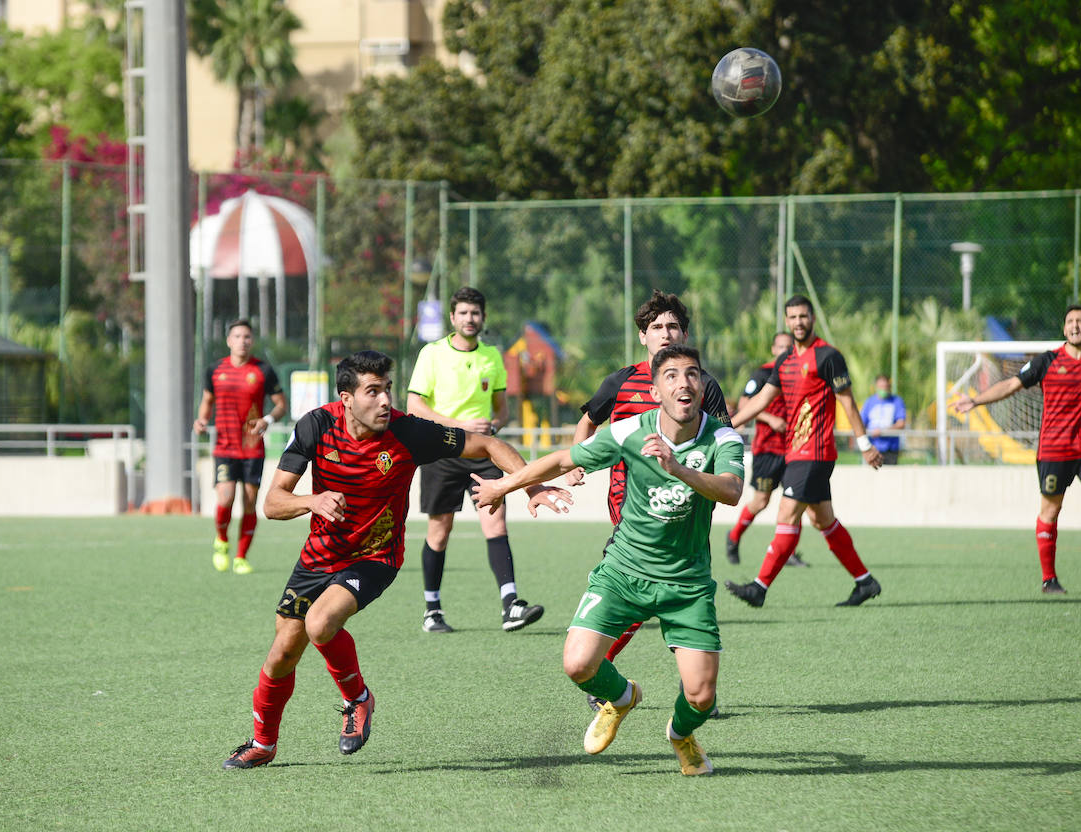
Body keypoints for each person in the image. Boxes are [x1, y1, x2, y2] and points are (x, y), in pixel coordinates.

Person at [222, 350, 567, 769]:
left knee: (320, 623)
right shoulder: (315, 425)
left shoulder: (408, 432)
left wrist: (528, 487)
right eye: (373, 391)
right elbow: (273, 504)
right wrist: (312, 500)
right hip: (319, 557)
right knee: (281, 654)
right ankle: (263, 744)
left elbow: (490, 444)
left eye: (387, 388)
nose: (385, 400)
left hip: (375, 556)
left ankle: (358, 700)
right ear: (346, 398)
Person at [473, 345, 745, 776]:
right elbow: (564, 458)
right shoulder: (630, 432)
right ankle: (621, 698)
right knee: (577, 664)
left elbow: (731, 490)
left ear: (702, 385)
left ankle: (680, 735)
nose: (683, 383)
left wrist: (679, 470)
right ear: (656, 391)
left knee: (701, 697)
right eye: (671, 376)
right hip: (624, 571)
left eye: (692, 374)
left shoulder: (723, 438)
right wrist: (503, 486)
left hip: (686, 582)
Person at [571, 289, 731, 676]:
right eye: (656, 327)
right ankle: (600, 666)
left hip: (686, 504)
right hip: (628, 502)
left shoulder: (702, 386)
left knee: (681, 583)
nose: (666, 333)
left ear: (685, 336)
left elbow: (725, 441)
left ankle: (696, 685)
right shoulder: (621, 381)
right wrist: (578, 462)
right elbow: (589, 422)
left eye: (673, 326)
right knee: (639, 578)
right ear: (643, 336)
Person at [953, 306, 1081, 594]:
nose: (1075, 326)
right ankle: (1049, 579)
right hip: (1054, 450)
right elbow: (1011, 385)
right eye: (1070, 322)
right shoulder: (1046, 361)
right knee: (1051, 510)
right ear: (1064, 329)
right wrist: (976, 401)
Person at [725, 295, 885, 607]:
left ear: (812, 317)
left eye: (803, 316)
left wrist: (865, 445)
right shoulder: (785, 362)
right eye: (793, 317)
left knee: (786, 513)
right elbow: (760, 401)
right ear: (787, 321)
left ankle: (759, 588)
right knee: (822, 519)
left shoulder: (828, 356)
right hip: (795, 451)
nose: (799, 322)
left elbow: (848, 402)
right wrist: (730, 424)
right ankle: (865, 581)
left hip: (815, 451)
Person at [407, 286, 544, 633]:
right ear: (452, 318)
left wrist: (494, 424)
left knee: (496, 524)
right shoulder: (432, 354)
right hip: (442, 451)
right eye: (464, 313)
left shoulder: (492, 357)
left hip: (483, 452)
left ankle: (511, 605)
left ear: (483, 317)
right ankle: (432, 611)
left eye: (476, 313)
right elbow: (414, 407)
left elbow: (501, 407)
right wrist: (460, 425)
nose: (470, 319)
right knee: (440, 531)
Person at [193, 319, 286, 575]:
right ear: (228, 341)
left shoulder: (263, 371)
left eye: (246, 336)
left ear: (251, 341)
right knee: (225, 496)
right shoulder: (215, 370)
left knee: (248, 502)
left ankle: (241, 557)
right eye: (237, 336)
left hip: (252, 447)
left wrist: (267, 420)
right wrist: (201, 420)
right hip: (224, 446)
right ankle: (222, 539)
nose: (242, 341)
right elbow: (207, 401)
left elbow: (280, 404)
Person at [725, 331, 810, 567]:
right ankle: (733, 537)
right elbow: (744, 404)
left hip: (794, 449)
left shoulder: (800, 372)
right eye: (780, 346)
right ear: (773, 349)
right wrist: (771, 419)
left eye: (789, 346)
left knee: (796, 501)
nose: (785, 350)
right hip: (768, 449)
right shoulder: (763, 373)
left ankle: (789, 553)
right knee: (761, 501)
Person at [860, 374, 907, 465]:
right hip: (872, 447)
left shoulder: (897, 401)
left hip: (890, 449)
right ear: (876, 387)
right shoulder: (869, 402)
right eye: (881, 386)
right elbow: (862, 422)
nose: (884, 389)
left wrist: (882, 431)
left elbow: (901, 423)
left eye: (886, 386)